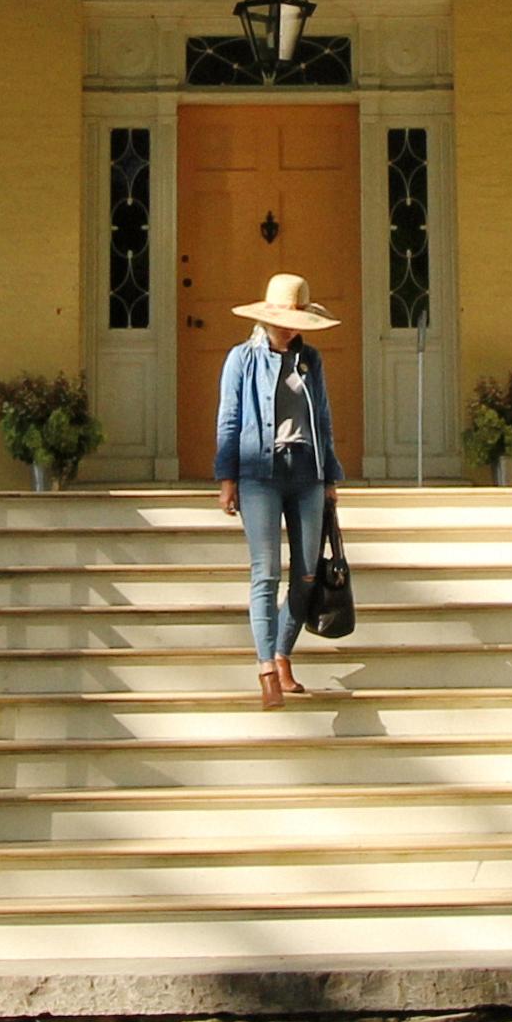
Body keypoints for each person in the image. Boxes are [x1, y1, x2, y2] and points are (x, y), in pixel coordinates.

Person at [210, 274, 340, 706]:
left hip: (307, 473)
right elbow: (228, 421)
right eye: (283, 319)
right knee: (265, 572)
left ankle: (283, 651)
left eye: (297, 319)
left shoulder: (311, 361)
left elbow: (322, 419)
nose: (290, 327)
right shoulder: (241, 360)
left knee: (305, 575)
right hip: (258, 474)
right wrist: (227, 479)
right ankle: (267, 667)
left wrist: (332, 478)